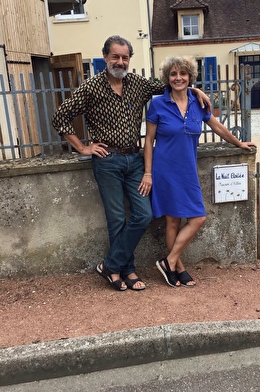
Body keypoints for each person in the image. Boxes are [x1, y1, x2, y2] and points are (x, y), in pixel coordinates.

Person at [52, 36, 211, 291]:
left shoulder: (137, 84)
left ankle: (109, 265)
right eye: (115, 56)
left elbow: (172, 85)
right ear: (105, 57)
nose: (120, 61)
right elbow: (61, 117)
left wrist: (195, 89)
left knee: (143, 214)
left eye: (125, 57)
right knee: (116, 217)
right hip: (107, 161)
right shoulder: (91, 87)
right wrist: (83, 147)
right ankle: (125, 270)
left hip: (135, 159)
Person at [142, 55, 256, 288]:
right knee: (173, 221)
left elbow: (217, 126)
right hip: (165, 170)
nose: (178, 78)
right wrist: (148, 173)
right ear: (167, 78)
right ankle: (177, 268)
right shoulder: (157, 104)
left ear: (190, 77)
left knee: (198, 218)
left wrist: (239, 143)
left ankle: (169, 260)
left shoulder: (198, 103)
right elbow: (149, 140)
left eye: (183, 74)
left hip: (187, 171)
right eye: (173, 74)